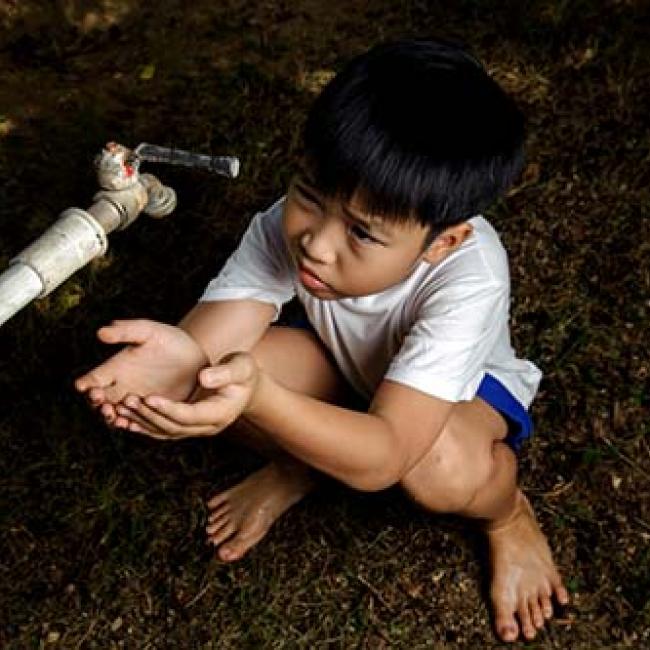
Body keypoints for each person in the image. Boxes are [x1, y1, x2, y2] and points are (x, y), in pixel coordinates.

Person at [75, 39, 569, 642]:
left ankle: (506, 516)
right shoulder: (293, 226)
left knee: (440, 470)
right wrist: (177, 362)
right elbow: (209, 345)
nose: (316, 243)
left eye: (362, 233)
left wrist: (259, 398)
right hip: (344, 367)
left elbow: (388, 456)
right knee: (218, 375)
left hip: (454, 405)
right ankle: (306, 463)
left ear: (442, 242)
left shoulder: (471, 275)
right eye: (308, 195)